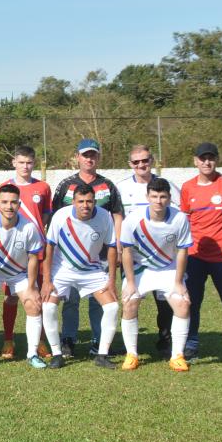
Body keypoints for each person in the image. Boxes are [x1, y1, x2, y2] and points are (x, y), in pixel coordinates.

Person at [51, 139, 124, 358]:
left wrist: (118, 246)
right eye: (85, 155)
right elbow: (54, 218)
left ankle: (98, 341)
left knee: (98, 299)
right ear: (78, 157)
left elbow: (117, 216)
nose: (89, 159)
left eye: (93, 155)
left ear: (98, 158)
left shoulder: (108, 185)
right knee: (71, 299)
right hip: (69, 256)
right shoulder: (66, 185)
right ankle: (68, 340)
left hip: (99, 255)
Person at [180, 142, 222, 366]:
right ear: (195, 161)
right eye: (202, 158)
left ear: (217, 159)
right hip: (195, 255)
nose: (206, 162)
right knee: (192, 302)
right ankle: (191, 344)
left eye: (211, 158)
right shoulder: (188, 187)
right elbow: (185, 221)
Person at [41, 183, 119, 370]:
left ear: (95, 202)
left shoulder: (104, 216)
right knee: (48, 307)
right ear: (74, 202)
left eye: (89, 201)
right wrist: (46, 280)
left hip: (92, 270)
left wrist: (111, 280)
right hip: (62, 272)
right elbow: (49, 247)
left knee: (112, 307)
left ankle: (102, 355)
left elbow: (111, 247)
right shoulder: (60, 216)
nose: (86, 205)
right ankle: (57, 354)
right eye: (81, 201)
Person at [119, 178, 193, 371]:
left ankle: (177, 356)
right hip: (140, 269)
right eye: (154, 196)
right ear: (147, 197)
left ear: (169, 198)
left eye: (163, 197)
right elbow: (125, 251)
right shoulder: (134, 219)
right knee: (129, 302)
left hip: (168, 268)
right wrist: (130, 283)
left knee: (183, 304)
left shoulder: (179, 218)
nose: (158, 201)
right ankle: (131, 355)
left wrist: (178, 282)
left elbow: (183, 251)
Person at [116, 144, 181, 354]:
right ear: (130, 164)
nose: (141, 165)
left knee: (165, 300)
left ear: (151, 160)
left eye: (145, 160)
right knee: (131, 298)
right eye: (136, 162)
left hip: (164, 256)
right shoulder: (121, 188)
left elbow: (180, 216)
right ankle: (131, 349)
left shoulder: (166, 185)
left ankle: (165, 337)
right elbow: (115, 218)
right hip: (133, 255)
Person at [0, 184, 46, 369]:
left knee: (33, 305)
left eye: (13, 202)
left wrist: (31, 287)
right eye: (4, 202)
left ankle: (32, 353)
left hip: (19, 274)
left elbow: (33, 259)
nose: (9, 206)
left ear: (19, 204)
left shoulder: (29, 227)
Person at [0, 146, 52, 359]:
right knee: (11, 297)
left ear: (34, 163)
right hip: (12, 253)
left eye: (29, 162)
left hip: (37, 252)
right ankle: (8, 340)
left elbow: (46, 216)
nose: (25, 166)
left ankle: (39, 340)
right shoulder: (4, 188)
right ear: (14, 163)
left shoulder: (43, 187)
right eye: (21, 162)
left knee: (38, 296)